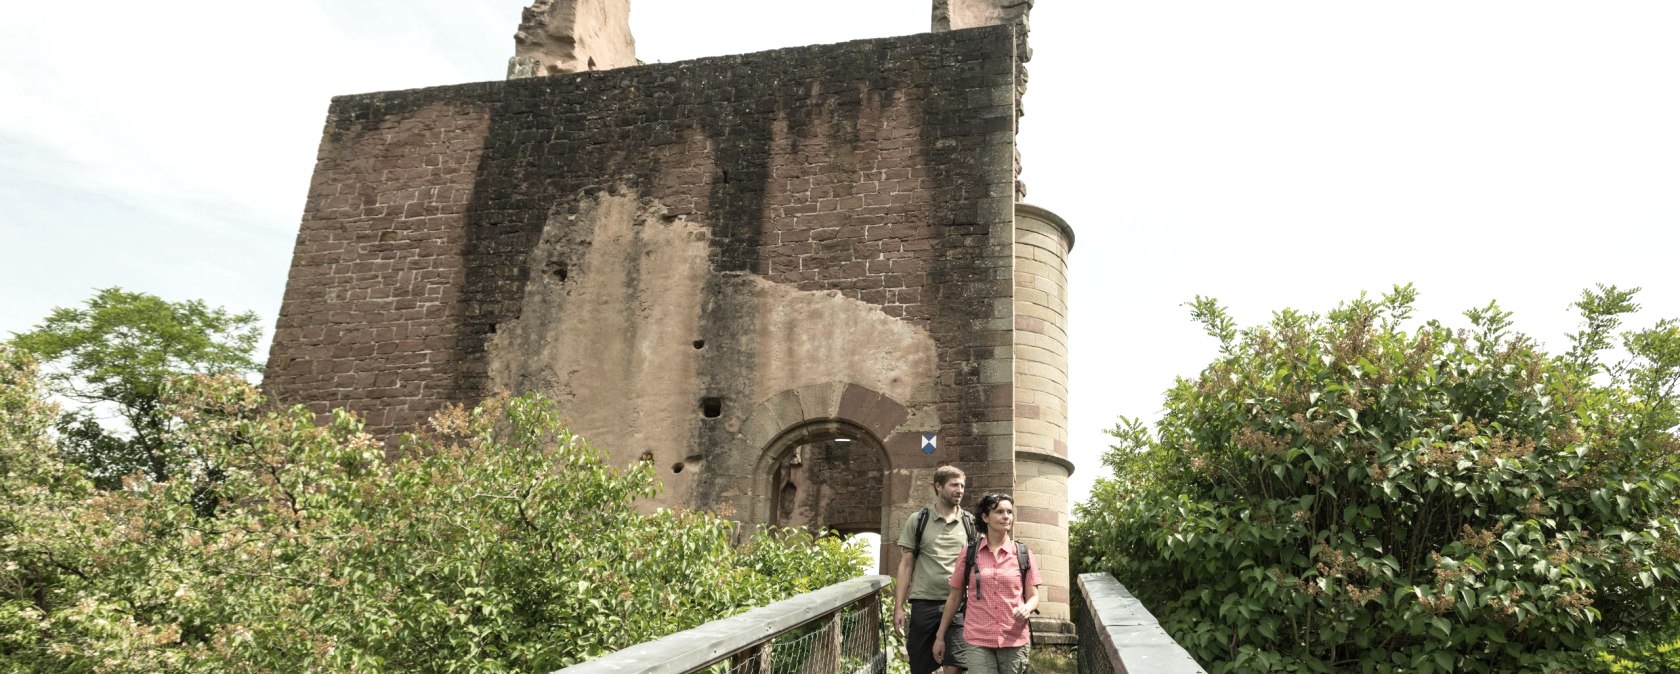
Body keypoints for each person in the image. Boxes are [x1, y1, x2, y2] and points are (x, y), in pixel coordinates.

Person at [933, 493, 1041, 674]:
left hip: (1014, 638)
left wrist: (1027, 608)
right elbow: (954, 598)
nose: (1006, 516)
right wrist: (940, 635)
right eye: (999, 512)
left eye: (1009, 512)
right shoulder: (968, 554)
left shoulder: (1023, 553)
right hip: (978, 638)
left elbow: (1034, 596)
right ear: (985, 517)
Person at [894, 465, 975, 674]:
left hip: (959, 606)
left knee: (954, 667)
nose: (960, 490)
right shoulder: (918, 520)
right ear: (938, 486)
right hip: (924, 604)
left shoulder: (970, 523)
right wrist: (899, 607)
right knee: (920, 667)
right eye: (954, 485)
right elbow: (906, 564)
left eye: (962, 486)